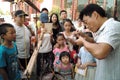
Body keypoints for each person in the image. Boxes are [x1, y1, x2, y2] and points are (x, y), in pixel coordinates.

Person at [76, 4, 120, 80]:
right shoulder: (102, 29)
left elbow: (100, 52)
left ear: (95, 15)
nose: (86, 26)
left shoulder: (113, 26)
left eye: (86, 22)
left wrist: (83, 41)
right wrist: (84, 36)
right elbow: (96, 43)